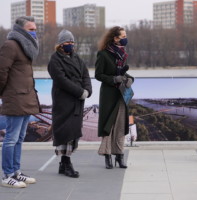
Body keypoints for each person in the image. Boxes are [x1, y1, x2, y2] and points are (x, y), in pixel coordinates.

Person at [0, 16, 40, 188]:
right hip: (15, 98)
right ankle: (7, 175)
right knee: (11, 138)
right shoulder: (11, 45)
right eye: (31, 28)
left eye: (35, 28)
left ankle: (16, 171)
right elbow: (1, 71)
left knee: (19, 138)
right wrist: (4, 94)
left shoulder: (25, 46)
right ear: (21, 30)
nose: (34, 31)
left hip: (26, 97)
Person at [48, 29, 92, 178]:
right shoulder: (55, 60)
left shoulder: (77, 58)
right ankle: (66, 164)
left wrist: (87, 90)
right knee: (65, 133)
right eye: (67, 42)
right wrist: (80, 92)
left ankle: (64, 164)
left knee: (73, 133)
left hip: (77, 103)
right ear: (60, 44)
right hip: (64, 102)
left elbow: (85, 74)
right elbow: (62, 80)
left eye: (72, 42)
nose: (70, 45)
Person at [95, 26, 134, 169]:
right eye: (123, 35)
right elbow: (98, 75)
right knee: (108, 126)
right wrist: (113, 79)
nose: (125, 38)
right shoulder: (103, 54)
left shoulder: (122, 54)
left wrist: (130, 79)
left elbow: (123, 73)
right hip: (108, 95)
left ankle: (119, 155)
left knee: (120, 126)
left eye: (126, 35)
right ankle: (107, 156)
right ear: (115, 38)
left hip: (121, 95)